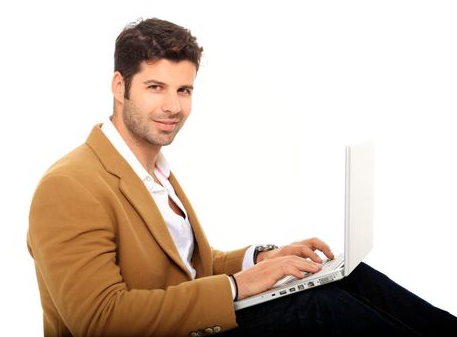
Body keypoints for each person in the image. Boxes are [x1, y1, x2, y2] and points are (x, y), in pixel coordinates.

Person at [27, 17, 457, 337]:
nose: (173, 107)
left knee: (346, 276)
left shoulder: (153, 171)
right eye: (155, 87)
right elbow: (99, 320)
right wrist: (236, 286)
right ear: (120, 87)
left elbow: (189, 269)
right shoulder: (71, 185)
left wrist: (263, 260)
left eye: (184, 90)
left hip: (191, 327)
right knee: (319, 310)